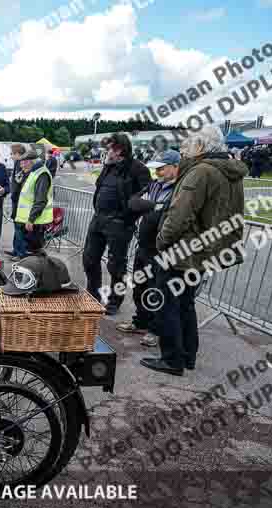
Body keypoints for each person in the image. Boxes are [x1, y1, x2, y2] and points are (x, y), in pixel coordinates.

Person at [141, 126, 246, 376]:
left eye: (188, 143)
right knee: (185, 304)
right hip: (203, 250)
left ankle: (173, 359)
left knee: (168, 304)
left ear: (200, 146)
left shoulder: (200, 172)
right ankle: (187, 355)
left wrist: (162, 241)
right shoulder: (229, 172)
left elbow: (179, 215)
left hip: (183, 252)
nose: (184, 148)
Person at [116, 150, 180, 348]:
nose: (158, 172)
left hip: (160, 249)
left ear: (175, 167)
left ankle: (155, 329)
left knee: (156, 290)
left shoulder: (178, 189)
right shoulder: (154, 185)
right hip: (143, 246)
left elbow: (168, 212)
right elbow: (133, 202)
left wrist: (151, 207)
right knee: (139, 286)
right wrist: (153, 206)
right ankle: (140, 321)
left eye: (162, 168)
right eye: (157, 169)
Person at [82, 132, 150, 315]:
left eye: (108, 148)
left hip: (119, 224)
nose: (106, 151)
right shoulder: (109, 166)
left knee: (116, 266)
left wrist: (127, 218)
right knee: (89, 259)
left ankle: (114, 301)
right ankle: (92, 295)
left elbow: (146, 198)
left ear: (119, 149)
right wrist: (107, 166)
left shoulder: (138, 169)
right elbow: (100, 187)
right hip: (99, 220)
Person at [14, 148, 53, 255]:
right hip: (30, 220)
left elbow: (40, 200)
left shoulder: (41, 174)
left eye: (22, 163)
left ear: (30, 162)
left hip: (36, 221)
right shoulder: (34, 172)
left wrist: (31, 219)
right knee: (30, 251)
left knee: (34, 252)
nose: (21, 166)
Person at [7, 143, 28, 258]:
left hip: (20, 201)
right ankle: (16, 250)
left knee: (19, 227)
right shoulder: (18, 163)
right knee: (17, 226)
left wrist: (14, 195)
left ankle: (21, 253)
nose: (11, 156)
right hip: (17, 200)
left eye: (12, 154)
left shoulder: (21, 164)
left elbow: (18, 182)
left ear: (18, 154)